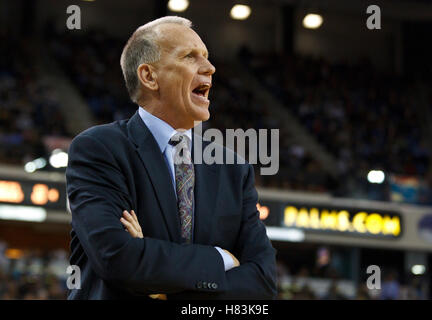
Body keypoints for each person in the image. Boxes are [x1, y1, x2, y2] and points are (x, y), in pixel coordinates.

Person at [65, 16, 277, 300]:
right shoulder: (99, 149)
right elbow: (117, 258)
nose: (210, 68)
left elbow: (262, 283)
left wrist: (158, 279)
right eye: (190, 56)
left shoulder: (233, 169)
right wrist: (220, 260)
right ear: (149, 76)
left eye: (207, 56)